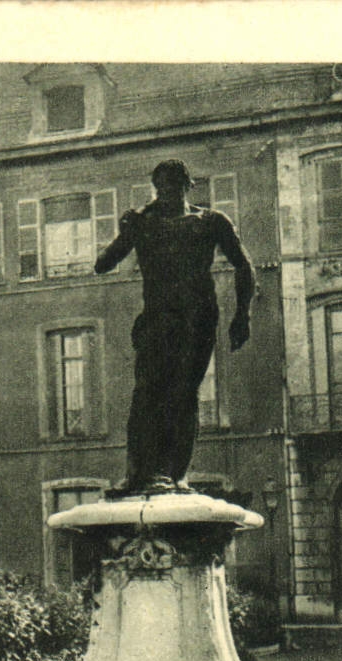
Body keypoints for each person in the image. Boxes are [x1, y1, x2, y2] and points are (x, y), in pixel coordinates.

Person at [95, 159, 254, 497]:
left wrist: (243, 316)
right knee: (145, 394)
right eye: (160, 186)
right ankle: (137, 475)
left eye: (173, 185)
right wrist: (127, 230)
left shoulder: (210, 222)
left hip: (197, 319)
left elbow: (244, 266)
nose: (166, 192)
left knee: (183, 394)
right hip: (157, 318)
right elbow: (103, 264)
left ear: (187, 186)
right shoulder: (144, 224)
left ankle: (174, 474)